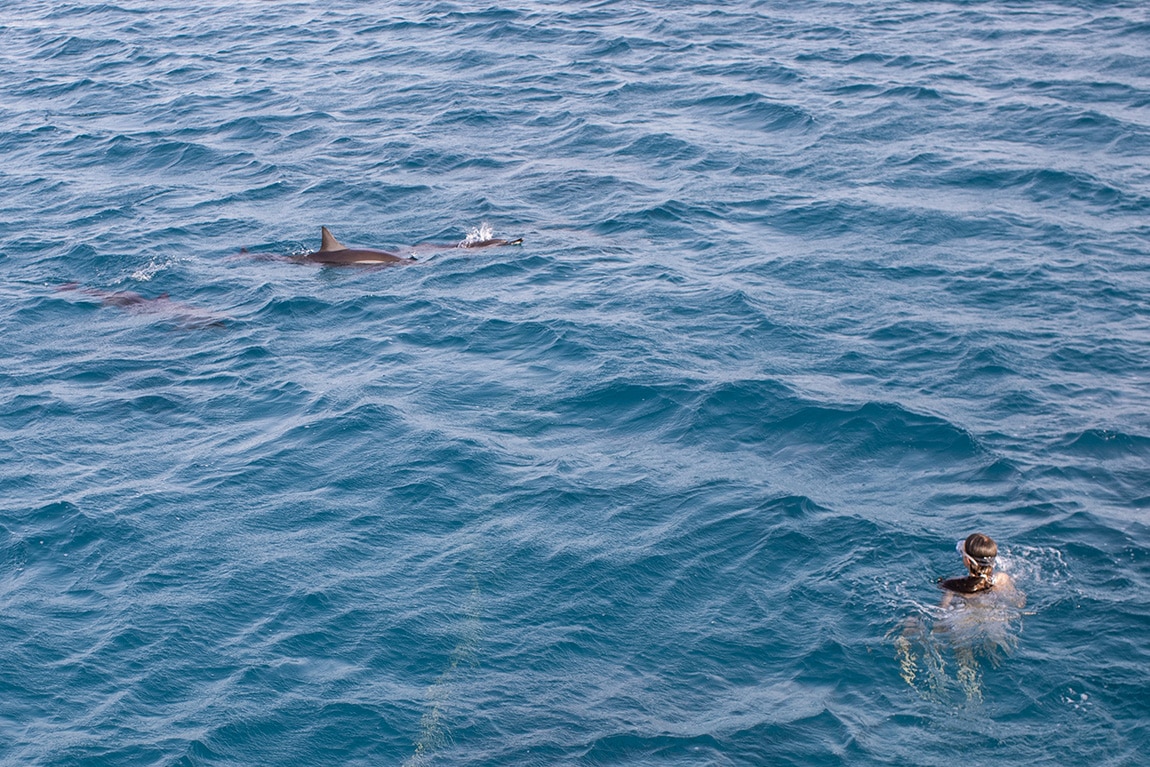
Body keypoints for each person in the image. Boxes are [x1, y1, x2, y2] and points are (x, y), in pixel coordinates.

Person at [938, 532, 1017, 608]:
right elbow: (1018, 603)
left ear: (968, 560)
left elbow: (942, 610)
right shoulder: (1002, 579)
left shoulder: (953, 584)